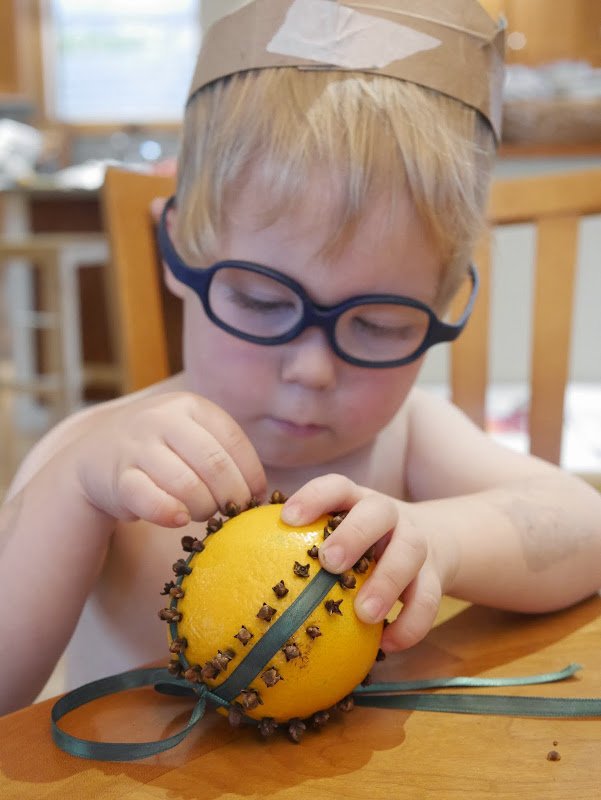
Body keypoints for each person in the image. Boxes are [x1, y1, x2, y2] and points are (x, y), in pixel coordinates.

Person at [2, 0, 601, 717]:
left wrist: (439, 539)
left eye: (378, 324)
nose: (312, 369)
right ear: (177, 249)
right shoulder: (98, 462)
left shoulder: (405, 436)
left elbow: (583, 528)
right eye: (260, 302)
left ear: (445, 300)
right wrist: (70, 493)